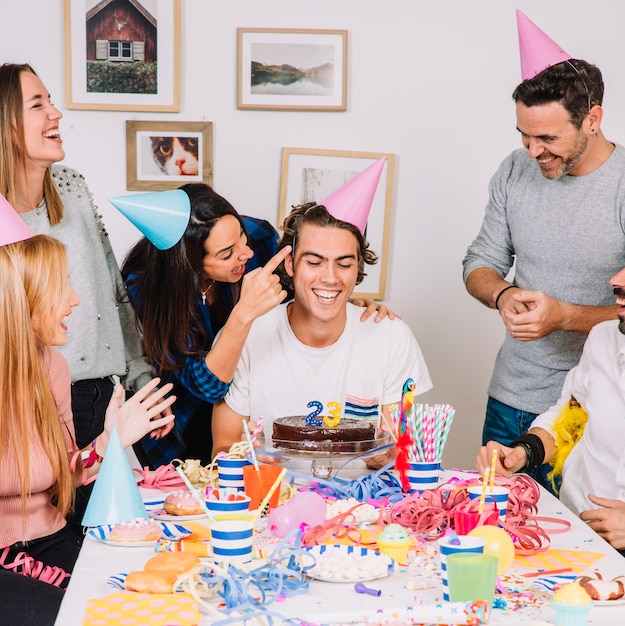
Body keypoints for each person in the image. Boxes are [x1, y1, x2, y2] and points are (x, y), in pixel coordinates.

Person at [462, 11, 625, 490]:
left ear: (592, 119)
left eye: (548, 138)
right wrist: (502, 296)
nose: (532, 152)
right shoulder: (514, 171)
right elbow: (480, 263)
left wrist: (563, 316)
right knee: (496, 529)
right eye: (524, 135)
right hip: (511, 398)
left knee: (574, 545)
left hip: (595, 411)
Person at [118, 183, 392, 468]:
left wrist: (342, 301)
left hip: (238, 401)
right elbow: (207, 387)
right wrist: (243, 313)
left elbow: (303, 282)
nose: (245, 254)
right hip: (180, 419)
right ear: (189, 263)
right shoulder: (150, 290)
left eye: (240, 235)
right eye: (227, 254)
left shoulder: (258, 240)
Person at [0, 215, 175, 625]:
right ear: (19, 297)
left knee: (145, 605)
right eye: (61, 287)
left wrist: (110, 440)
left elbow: (64, 475)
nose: (75, 300)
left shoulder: (52, 366)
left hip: (50, 538)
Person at [211, 159, 432, 469]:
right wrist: (245, 458)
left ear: (358, 268)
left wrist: (389, 456)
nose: (330, 277)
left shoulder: (392, 338)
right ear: (290, 265)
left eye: (343, 264)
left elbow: (402, 448)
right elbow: (221, 446)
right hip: (271, 508)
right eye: (314, 262)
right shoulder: (247, 336)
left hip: (364, 512)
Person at [476, 264, 625, 555]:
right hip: (578, 535)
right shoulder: (603, 338)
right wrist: (521, 453)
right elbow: (571, 417)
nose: (615, 280)